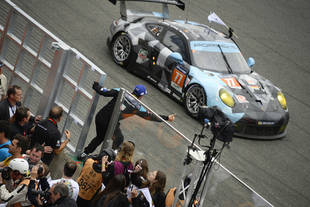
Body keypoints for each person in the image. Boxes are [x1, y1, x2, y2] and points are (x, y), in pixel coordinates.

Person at [78, 82, 175, 160]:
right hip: (110, 123)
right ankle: (108, 159)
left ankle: (84, 153)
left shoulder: (121, 91)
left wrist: (96, 85)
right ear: (141, 96)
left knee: (100, 137)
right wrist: (167, 118)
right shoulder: (137, 106)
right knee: (119, 139)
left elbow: (104, 91)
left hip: (100, 117)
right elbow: (151, 116)